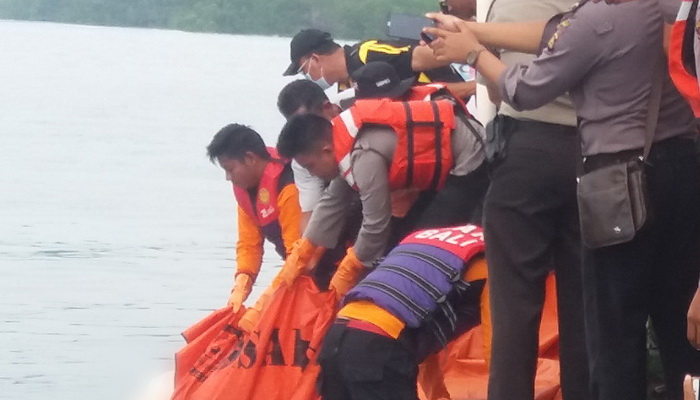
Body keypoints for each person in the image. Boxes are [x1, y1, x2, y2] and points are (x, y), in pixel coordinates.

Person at [425, 0, 700, 398]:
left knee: (610, 329)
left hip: (616, 181)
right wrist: (476, 34)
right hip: (683, 169)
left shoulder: (597, 19)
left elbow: (522, 90)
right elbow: (558, 31)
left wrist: (473, 53)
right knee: (680, 321)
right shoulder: (670, 11)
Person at [431, 1, 592, 400]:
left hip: (525, 151)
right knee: (585, 304)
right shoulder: (602, 7)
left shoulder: (503, 7)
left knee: (513, 307)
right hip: (593, 152)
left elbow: (494, 89)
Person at [275, 91, 489, 301]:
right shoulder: (344, 141)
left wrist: (349, 270)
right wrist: (303, 251)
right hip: (446, 163)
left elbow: (376, 223)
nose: (312, 174)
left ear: (326, 150)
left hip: (469, 159)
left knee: (418, 246)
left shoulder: (364, 156)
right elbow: (332, 200)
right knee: (401, 241)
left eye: (310, 166)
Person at [317, 224, 488, 400]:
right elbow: (494, 348)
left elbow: (425, 343)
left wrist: (439, 396)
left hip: (336, 335)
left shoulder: (427, 241)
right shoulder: (490, 267)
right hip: (380, 344)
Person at [206, 124, 302, 313]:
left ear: (250, 158)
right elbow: (249, 244)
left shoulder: (288, 186)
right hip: (294, 267)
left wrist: (261, 307)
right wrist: (241, 286)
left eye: (230, 169)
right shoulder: (246, 190)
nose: (228, 177)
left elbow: (299, 257)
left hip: (319, 267)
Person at [281, 28, 476, 99]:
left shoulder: (367, 53)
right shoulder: (345, 89)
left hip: (450, 100)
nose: (307, 77)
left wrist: (476, 55)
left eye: (303, 70)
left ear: (315, 59)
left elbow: (422, 57)